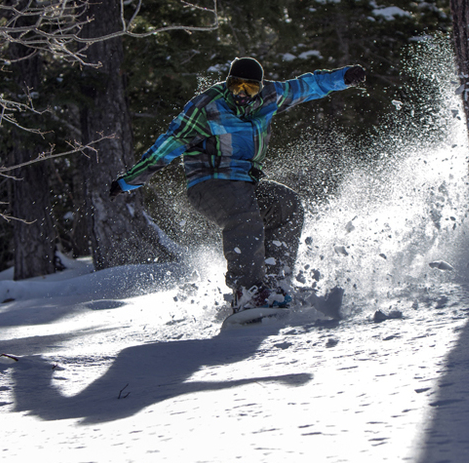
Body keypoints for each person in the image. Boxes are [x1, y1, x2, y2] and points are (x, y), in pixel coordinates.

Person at [110, 57, 366, 313]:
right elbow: (167, 146)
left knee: (286, 205)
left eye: (250, 88)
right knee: (245, 217)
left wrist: (343, 78)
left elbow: (307, 86)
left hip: (246, 182)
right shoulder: (206, 106)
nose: (242, 94)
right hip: (209, 182)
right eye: (236, 86)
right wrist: (128, 181)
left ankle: (276, 285)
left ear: (260, 87)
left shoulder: (271, 96)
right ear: (228, 83)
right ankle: (248, 291)